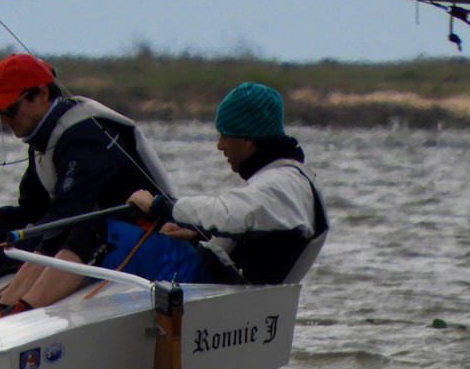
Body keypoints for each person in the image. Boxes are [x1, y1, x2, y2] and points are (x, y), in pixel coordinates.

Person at [0, 52, 175, 326]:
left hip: (149, 235)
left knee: (78, 226)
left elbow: (65, 215)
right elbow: (34, 212)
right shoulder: (44, 137)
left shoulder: (88, 134)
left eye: (9, 110)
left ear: (40, 94)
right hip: (92, 227)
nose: (5, 120)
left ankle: (7, 311)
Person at [117, 82, 327, 286]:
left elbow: (230, 214)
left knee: (116, 237)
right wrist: (197, 235)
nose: (220, 145)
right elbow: (259, 229)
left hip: (233, 293)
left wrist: (160, 206)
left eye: (225, 135)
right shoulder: (287, 178)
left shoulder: (284, 182)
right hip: (233, 289)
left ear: (248, 139)